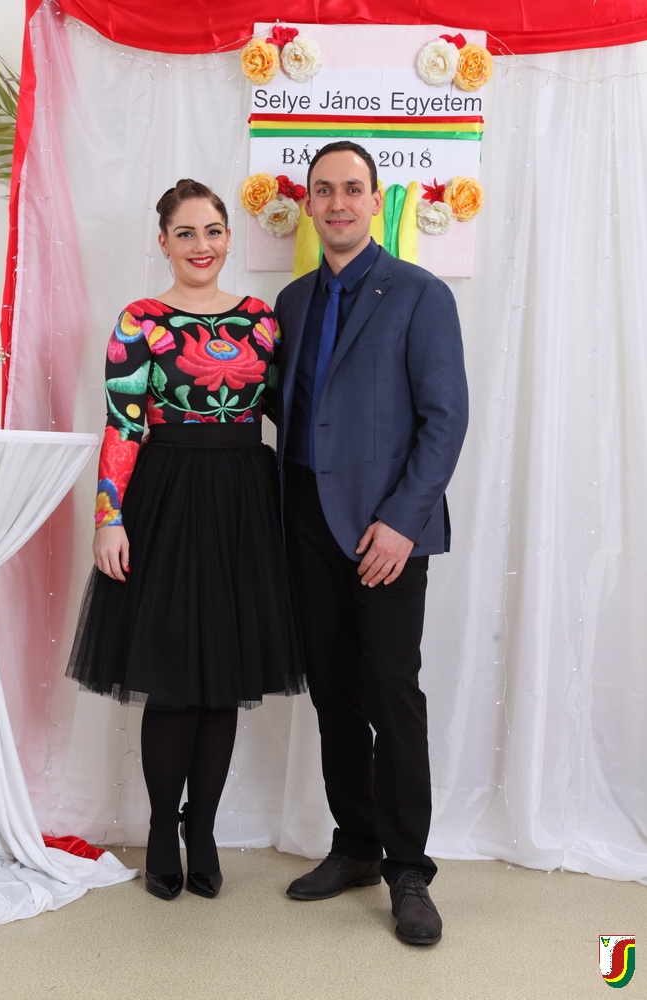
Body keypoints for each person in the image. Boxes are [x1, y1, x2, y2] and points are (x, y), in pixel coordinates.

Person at [67, 179, 305, 902]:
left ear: (229, 238)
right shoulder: (139, 321)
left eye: (213, 231)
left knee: (223, 678)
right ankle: (161, 830)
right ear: (164, 242)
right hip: (166, 498)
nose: (201, 246)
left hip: (243, 500)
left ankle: (202, 829)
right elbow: (123, 422)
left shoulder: (261, 320)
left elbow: (286, 412)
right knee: (172, 678)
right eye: (186, 233)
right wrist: (109, 517)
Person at [273, 141, 468, 945]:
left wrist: (402, 521)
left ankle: (408, 870)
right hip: (306, 523)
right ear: (309, 204)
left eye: (351, 189)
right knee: (334, 693)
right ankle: (354, 845)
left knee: (392, 693)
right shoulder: (291, 301)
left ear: (375, 200)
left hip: (386, 530)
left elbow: (444, 418)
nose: (337, 203)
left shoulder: (420, 294)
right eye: (323, 190)